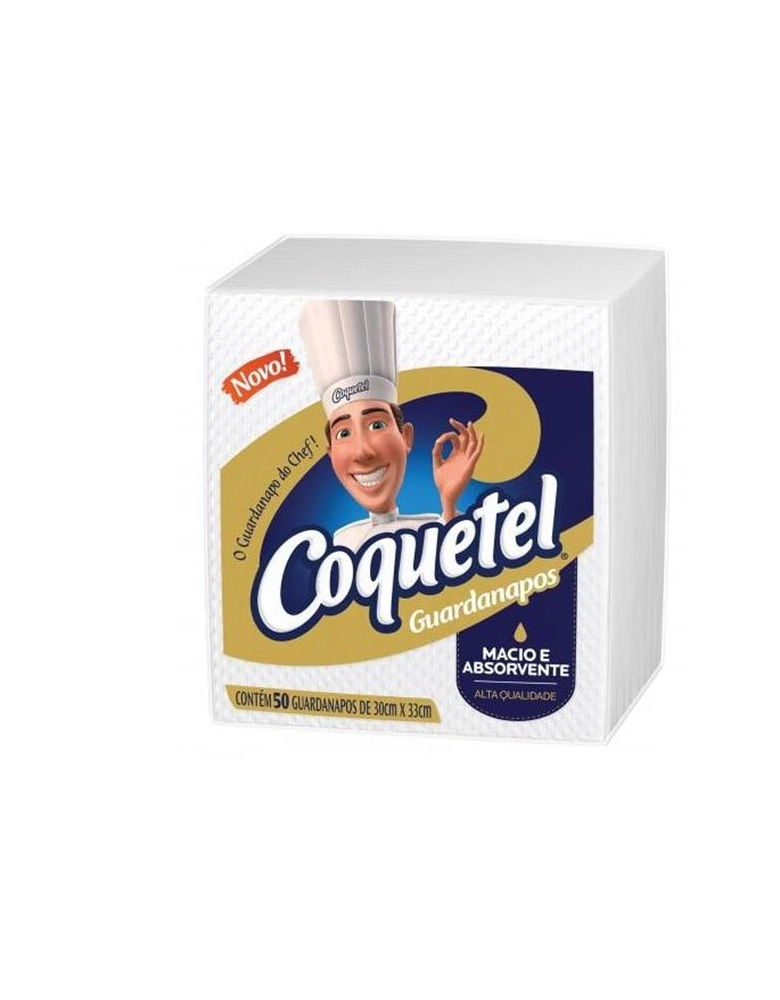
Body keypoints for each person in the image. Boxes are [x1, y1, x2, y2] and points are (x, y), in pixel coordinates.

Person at [299, 299, 484, 551]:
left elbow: (455, 553)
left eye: (376, 425)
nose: (362, 451)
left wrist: (449, 503)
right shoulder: (339, 543)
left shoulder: (430, 530)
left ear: (405, 437)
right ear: (330, 454)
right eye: (343, 433)